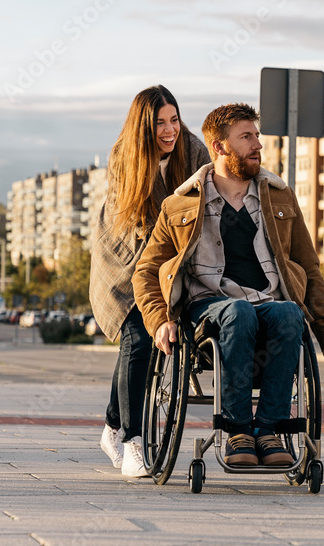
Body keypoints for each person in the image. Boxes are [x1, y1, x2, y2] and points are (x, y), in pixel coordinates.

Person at [132, 103, 324, 467]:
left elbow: (309, 269)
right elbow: (146, 271)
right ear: (219, 147)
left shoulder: (279, 197)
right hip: (209, 307)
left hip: (267, 302)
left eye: (257, 136)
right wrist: (158, 321)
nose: (257, 145)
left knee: (289, 314)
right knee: (239, 312)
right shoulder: (179, 205)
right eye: (246, 137)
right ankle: (236, 431)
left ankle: (267, 431)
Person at [89, 85, 210, 477]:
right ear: (145, 126)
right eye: (160, 123)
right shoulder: (126, 157)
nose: (170, 130)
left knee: (137, 345)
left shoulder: (193, 151)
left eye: (174, 120)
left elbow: (208, 204)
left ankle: (111, 426)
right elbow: (136, 223)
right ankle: (131, 441)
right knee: (138, 336)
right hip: (123, 258)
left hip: (170, 257)